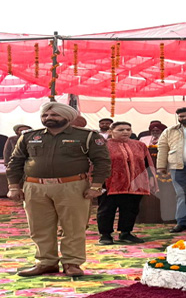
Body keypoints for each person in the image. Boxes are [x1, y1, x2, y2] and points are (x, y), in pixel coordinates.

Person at [6, 102, 111, 277]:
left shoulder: (86, 136)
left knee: (73, 227)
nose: (49, 118)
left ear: (67, 117)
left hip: (72, 186)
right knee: (39, 227)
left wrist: (96, 186)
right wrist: (13, 186)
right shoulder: (29, 136)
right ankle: (46, 262)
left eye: (54, 115)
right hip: (34, 187)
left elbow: (102, 162)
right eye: (45, 115)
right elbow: (15, 162)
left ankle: (72, 263)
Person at [97, 121, 158, 245]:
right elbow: (96, 163)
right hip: (110, 183)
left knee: (131, 209)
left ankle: (126, 233)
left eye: (128, 129)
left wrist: (151, 178)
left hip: (135, 183)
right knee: (106, 209)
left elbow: (147, 162)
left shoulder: (140, 145)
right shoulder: (103, 145)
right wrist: (96, 181)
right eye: (120, 130)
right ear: (111, 131)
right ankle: (105, 235)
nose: (125, 132)